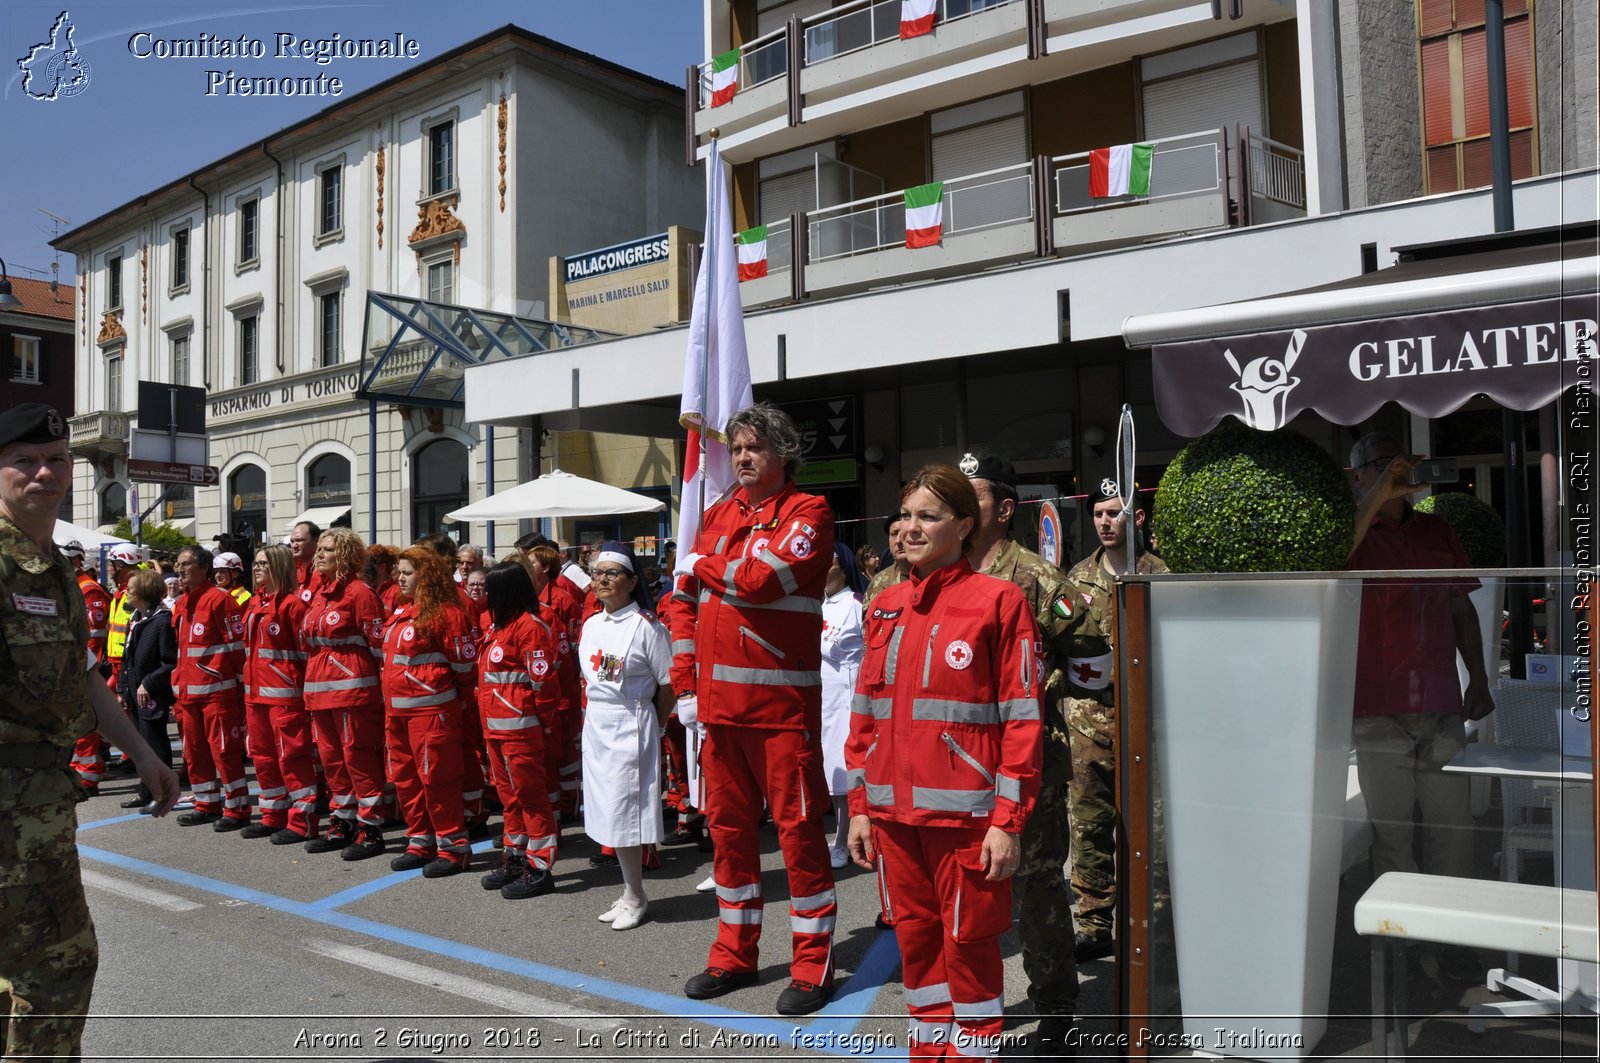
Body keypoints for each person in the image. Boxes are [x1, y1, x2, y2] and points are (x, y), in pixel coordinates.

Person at [844, 464, 1043, 1063]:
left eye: (927, 516)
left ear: (963, 525)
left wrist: (1007, 822)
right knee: (918, 940)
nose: (909, 527)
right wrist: (859, 808)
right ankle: (929, 1048)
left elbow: (1022, 719)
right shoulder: (885, 605)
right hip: (892, 816)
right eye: (904, 515)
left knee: (970, 943)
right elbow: (865, 716)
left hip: (966, 821)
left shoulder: (1000, 601)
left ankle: (975, 1049)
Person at [0, 403, 180, 1061]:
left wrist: (144, 755)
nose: (41, 471)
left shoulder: (59, 573)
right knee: (58, 967)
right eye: (23, 460)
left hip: (40, 806)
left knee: (22, 975)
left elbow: (84, 676)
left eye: (53, 460)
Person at [669, 402, 838, 1014]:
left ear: (782, 455)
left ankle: (814, 964)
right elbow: (680, 604)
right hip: (717, 713)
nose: (741, 457)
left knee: (798, 840)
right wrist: (685, 685)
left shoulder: (808, 512)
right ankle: (733, 955)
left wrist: (700, 564)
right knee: (729, 840)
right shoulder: (717, 514)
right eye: (736, 448)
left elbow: (759, 580)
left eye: (754, 449)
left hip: (780, 712)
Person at [1347, 434, 1492, 882]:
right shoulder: (1352, 532)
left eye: (1401, 459)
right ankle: (1400, 943)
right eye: (1382, 462)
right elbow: (1335, 557)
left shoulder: (1437, 530)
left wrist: (1480, 679)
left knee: (1454, 828)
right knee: (1392, 835)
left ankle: (1448, 941)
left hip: (1439, 701)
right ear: (1357, 477)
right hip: (1377, 709)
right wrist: (1377, 499)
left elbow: (1460, 606)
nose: (1396, 468)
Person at [1064, 477, 1169, 966]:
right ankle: (1093, 923)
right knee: (1088, 825)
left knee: (1153, 826)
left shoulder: (1160, 573)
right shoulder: (1076, 578)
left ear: (1138, 517)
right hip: (1089, 725)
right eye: (1099, 515)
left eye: (1114, 513)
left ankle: (1156, 922)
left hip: (1148, 721)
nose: (1105, 522)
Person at [579, 542, 675, 931]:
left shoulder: (648, 627)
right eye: (597, 573)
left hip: (631, 723)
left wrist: (660, 722)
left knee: (626, 813)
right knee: (607, 811)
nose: (601, 580)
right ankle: (628, 889)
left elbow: (668, 683)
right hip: (598, 726)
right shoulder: (591, 624)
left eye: (612, 573)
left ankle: (636, 894)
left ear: (633, 581)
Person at [380, 547, 475, 877]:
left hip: (432, 714)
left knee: (438, 781)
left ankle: (453, 849)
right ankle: (420, 842)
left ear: (427, 575)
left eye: (408, 572)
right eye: (399, 572)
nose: (400, 577)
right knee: (406, 780)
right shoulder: (401, 612)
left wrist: (450, 701)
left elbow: (464, 668)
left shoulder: (448, 614)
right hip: (398, 715)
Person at [301, 527, 389, 859]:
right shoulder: (320, 594)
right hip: (320, 693)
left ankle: (371, 829)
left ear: (346, 556)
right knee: (333, 762)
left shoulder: (360, 593)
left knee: (359, 760)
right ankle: (343, 821)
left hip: (353, 694)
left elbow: (379, 648)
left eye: (327, 550)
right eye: (319, 549)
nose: (319, 555)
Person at [477, 561, 563, 899]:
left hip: (520, 730)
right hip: (497, 730)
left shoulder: (530, 628)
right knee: (509, 798)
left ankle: (540, 867)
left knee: (531, 797)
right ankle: (515, 856)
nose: (484, 595)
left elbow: (545, 685)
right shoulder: (500, 627)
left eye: (490, 590)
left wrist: (541, 726)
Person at [171, 545, 252, 832]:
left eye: (186, 564)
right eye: (177, 564)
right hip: (188, 693)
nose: (179, 570)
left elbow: (237, 649)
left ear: (204, 568)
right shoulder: (182, 603)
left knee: (224, 751)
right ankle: (206, 803)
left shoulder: (220, 600)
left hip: (217, 693)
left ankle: (238, 806)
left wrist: (240, 688)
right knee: (193, 752)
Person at [241, 545, 318, 844]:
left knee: (292, 758)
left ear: (278, 567)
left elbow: (304, 656)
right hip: (256, 694)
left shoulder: (293, 605)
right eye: (255, 563)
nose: (257, 568)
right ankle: (273, 815)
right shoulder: (254, 603)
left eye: (263, 564)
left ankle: (303, 821)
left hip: (285, 695)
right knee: (262, 757)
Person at [115, 568, 179, 811]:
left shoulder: (162, 621)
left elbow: (170, 662)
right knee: (140, 745)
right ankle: (145, 790)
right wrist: (123, 688)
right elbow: (128, 658)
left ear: (145, 590)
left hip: (152, 695)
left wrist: (148, 683)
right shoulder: (137, 618)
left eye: (131, 588)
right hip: (134, 695)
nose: (126, 591)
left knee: (155, 744)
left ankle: (161, 793)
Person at [819, 542, 866, 869]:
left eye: (829, 562)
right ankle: (841, 830)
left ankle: (843, 837)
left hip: (847, 695)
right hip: (823, 696)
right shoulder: (815, 605)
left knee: (846, 769)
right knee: (830, 768)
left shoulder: (855, 605)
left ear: (845, 567)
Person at [63, 540, 111, 796]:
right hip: (73, 664)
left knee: (85, 720)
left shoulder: (88, 589)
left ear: (75, 561)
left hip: (87, 665)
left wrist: (83, 667)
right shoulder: (69, 585)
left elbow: (95, 634)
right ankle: (82, 766)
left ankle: (89, 773)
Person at [864, 514, 910, 608]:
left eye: (905, 533)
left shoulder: (933, 577)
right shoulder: (879, 582)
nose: (898, 540)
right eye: (894, 534)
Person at [289, 520, 321, 590]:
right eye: (292, 541)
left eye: (299, 540)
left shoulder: (324, 571)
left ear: (316, 541)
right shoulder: (291, 570)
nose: (294, 546)